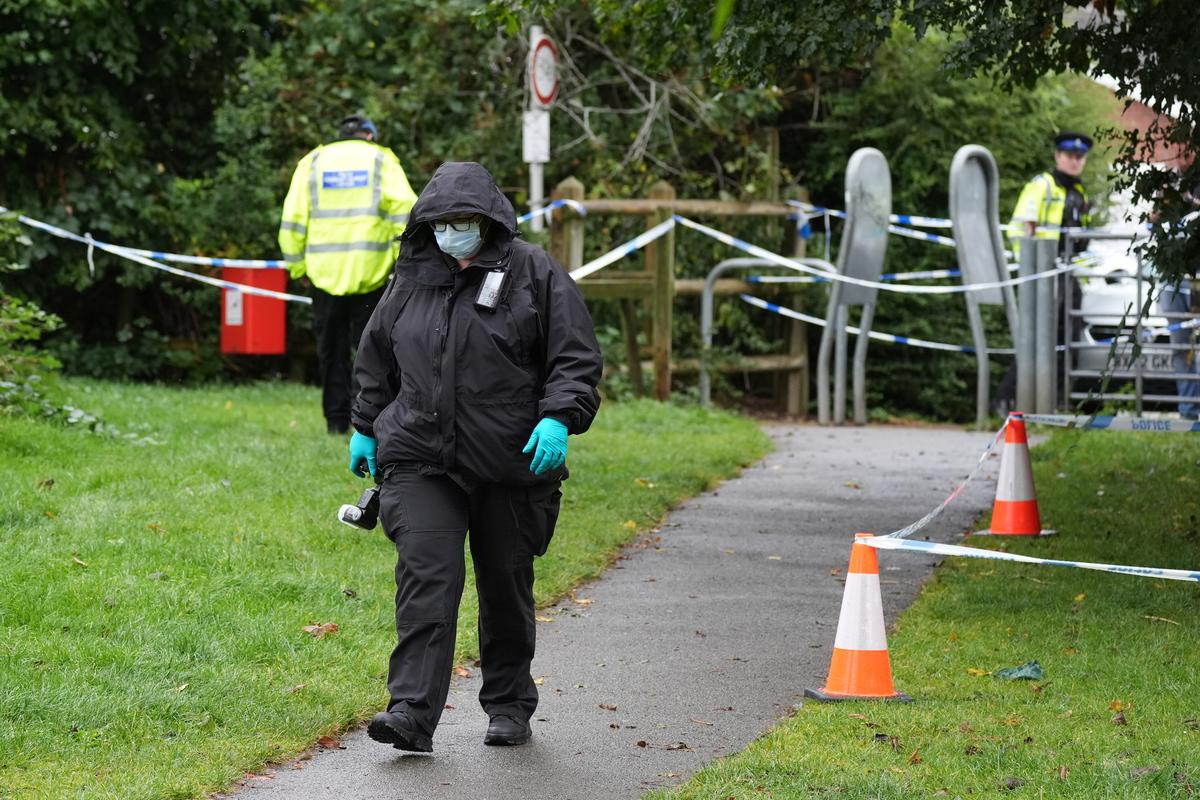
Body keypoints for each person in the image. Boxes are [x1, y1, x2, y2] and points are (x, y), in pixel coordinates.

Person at [347, 161, 603, 753]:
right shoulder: (412, 276)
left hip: (512, 461)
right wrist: (366, 425)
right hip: (420, 455)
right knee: (426, 579)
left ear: (488, 222)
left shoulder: (534, 272)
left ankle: (509, 704)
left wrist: (558, 417)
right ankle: (411, 712)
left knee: (504, 582)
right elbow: (377, 354)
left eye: (461, 222)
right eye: (439, 223)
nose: (449, 233)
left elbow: (576, 359)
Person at [279, 114, 418, 434]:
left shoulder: (312, 162)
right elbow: (406, 214)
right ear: (369, 135)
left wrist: (298, 267)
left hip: (322, 274)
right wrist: (402, 264)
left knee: (331, 352)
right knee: (372, 353)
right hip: (371, 273)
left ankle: (335, 422)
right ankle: (365, 422)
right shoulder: (382, 160)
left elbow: (292, 220)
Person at [995, 131, 1095, 412]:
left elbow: (1082, 239)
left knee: (1068, 339)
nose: (1075, 162)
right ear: (1057, 156)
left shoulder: (1080, 192)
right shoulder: (1042, 186)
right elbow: (1022, 228)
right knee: (1038, 339)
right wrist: (1032, 269)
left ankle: (1057, 404)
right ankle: (1006, 401)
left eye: (1080, 157)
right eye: (1070, 156)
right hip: (1042, 274)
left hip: (1070, 277)